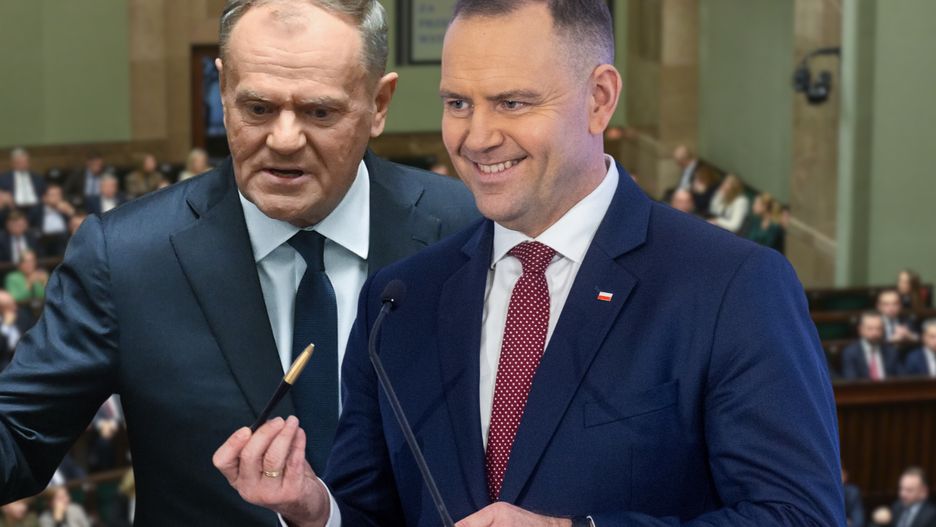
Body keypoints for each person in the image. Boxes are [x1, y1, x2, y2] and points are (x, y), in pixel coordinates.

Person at [215, 1, 844, 525]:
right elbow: (371, 511)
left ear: (600, 99)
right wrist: (314, 509)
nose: (477, 136)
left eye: (512, 103)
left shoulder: (732, 286)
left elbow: (798, 515)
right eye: (458, 103)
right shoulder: (400, 299)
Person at [0, 0, 477, 525]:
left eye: (319, 112)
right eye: (258, 108)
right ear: (224, 90)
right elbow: (17, 439)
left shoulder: (470, 231)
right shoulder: (127, 257)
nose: (284, 140)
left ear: (379, 104)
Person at [841, 311, 901, 381]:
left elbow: (901, 378)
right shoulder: (850, 353)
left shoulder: (891, 352)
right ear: (860, 330)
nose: (875, 333)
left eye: (878, 328)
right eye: (870, 328)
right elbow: (851, 380)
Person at [0, 149, 46, 227]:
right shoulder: (3, 178)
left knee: (40, 209)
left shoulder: (37, 177)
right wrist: (3, 196)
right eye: (20, 162)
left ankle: (37, 232)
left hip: (34, 207)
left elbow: (44, 193)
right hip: (13, 207)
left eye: (25, 162)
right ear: (13, 163)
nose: (23, 164)